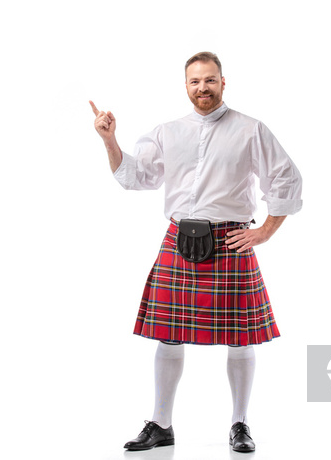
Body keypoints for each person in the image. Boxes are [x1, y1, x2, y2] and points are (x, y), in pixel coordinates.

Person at [90, 51, 302, 453]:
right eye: (194, 81)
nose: (202, 87)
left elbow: (286, 177)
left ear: (223, 82)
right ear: (185, 86)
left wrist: (266, 231)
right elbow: (137, 177)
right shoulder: (168, 132)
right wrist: (109, 140)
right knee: (168, 336)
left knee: (240, 338)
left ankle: (240, 424)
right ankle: (161, 425)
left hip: (229, 241)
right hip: (178, 241)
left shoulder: (250, 129)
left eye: (209, 80)